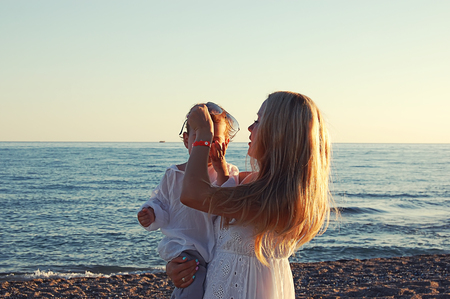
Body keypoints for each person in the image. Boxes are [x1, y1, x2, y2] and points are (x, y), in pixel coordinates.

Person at [166, 91, 335, 298]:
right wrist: (184, 265)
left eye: (258, 121)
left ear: (278, 133)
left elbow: (193, 194)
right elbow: (207, 231)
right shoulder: (248, 182)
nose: (249, 128)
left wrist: (202, 135)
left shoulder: (272, 199)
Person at [137, 102, 240, 299]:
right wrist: (150, 212)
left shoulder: (230, 172)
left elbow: (228, 204)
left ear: (225, 144)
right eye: (200, 138)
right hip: (186, 245)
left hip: (216, 249)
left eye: (213, 140)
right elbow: (161, 203)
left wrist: (221, 171)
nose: (206, 145)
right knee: (192, 284)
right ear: (187, 140)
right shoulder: (174, 174)